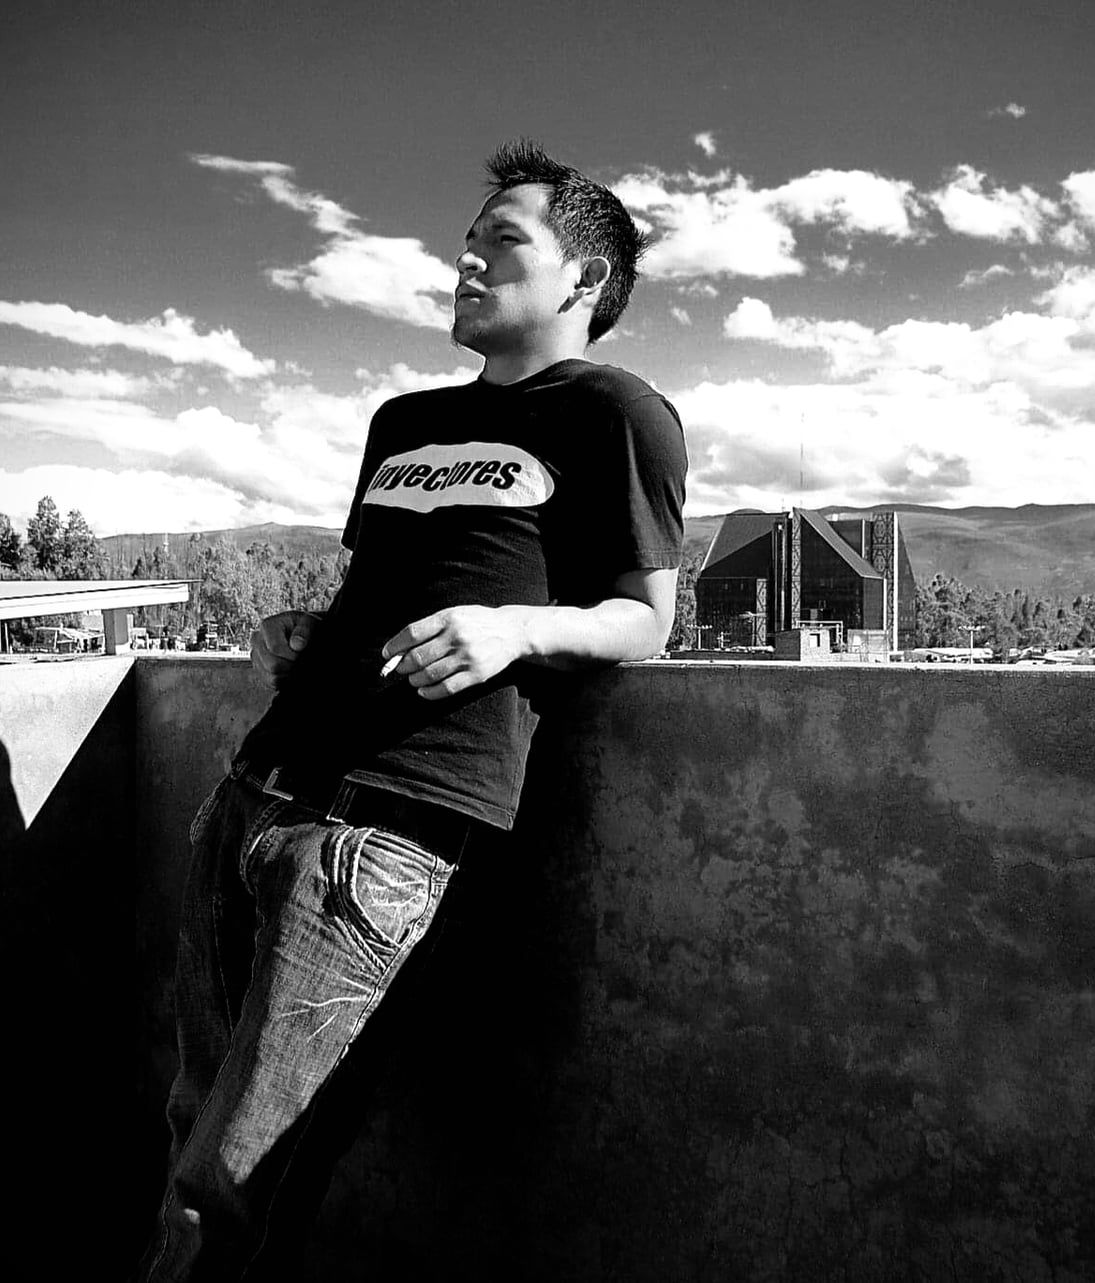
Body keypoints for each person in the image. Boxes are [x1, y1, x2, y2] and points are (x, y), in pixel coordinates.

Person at [136, 140, 687, 1280]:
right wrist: (297, 633)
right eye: (467, 240)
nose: (466, 259)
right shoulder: (403, 420)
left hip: (384, 832)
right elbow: (378, 591)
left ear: (584, 279)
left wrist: (516, 629)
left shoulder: (617, 412)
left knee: (229, 1180)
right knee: (192, 1118)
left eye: (503, 240)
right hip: (252, 792)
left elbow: (645, 619)